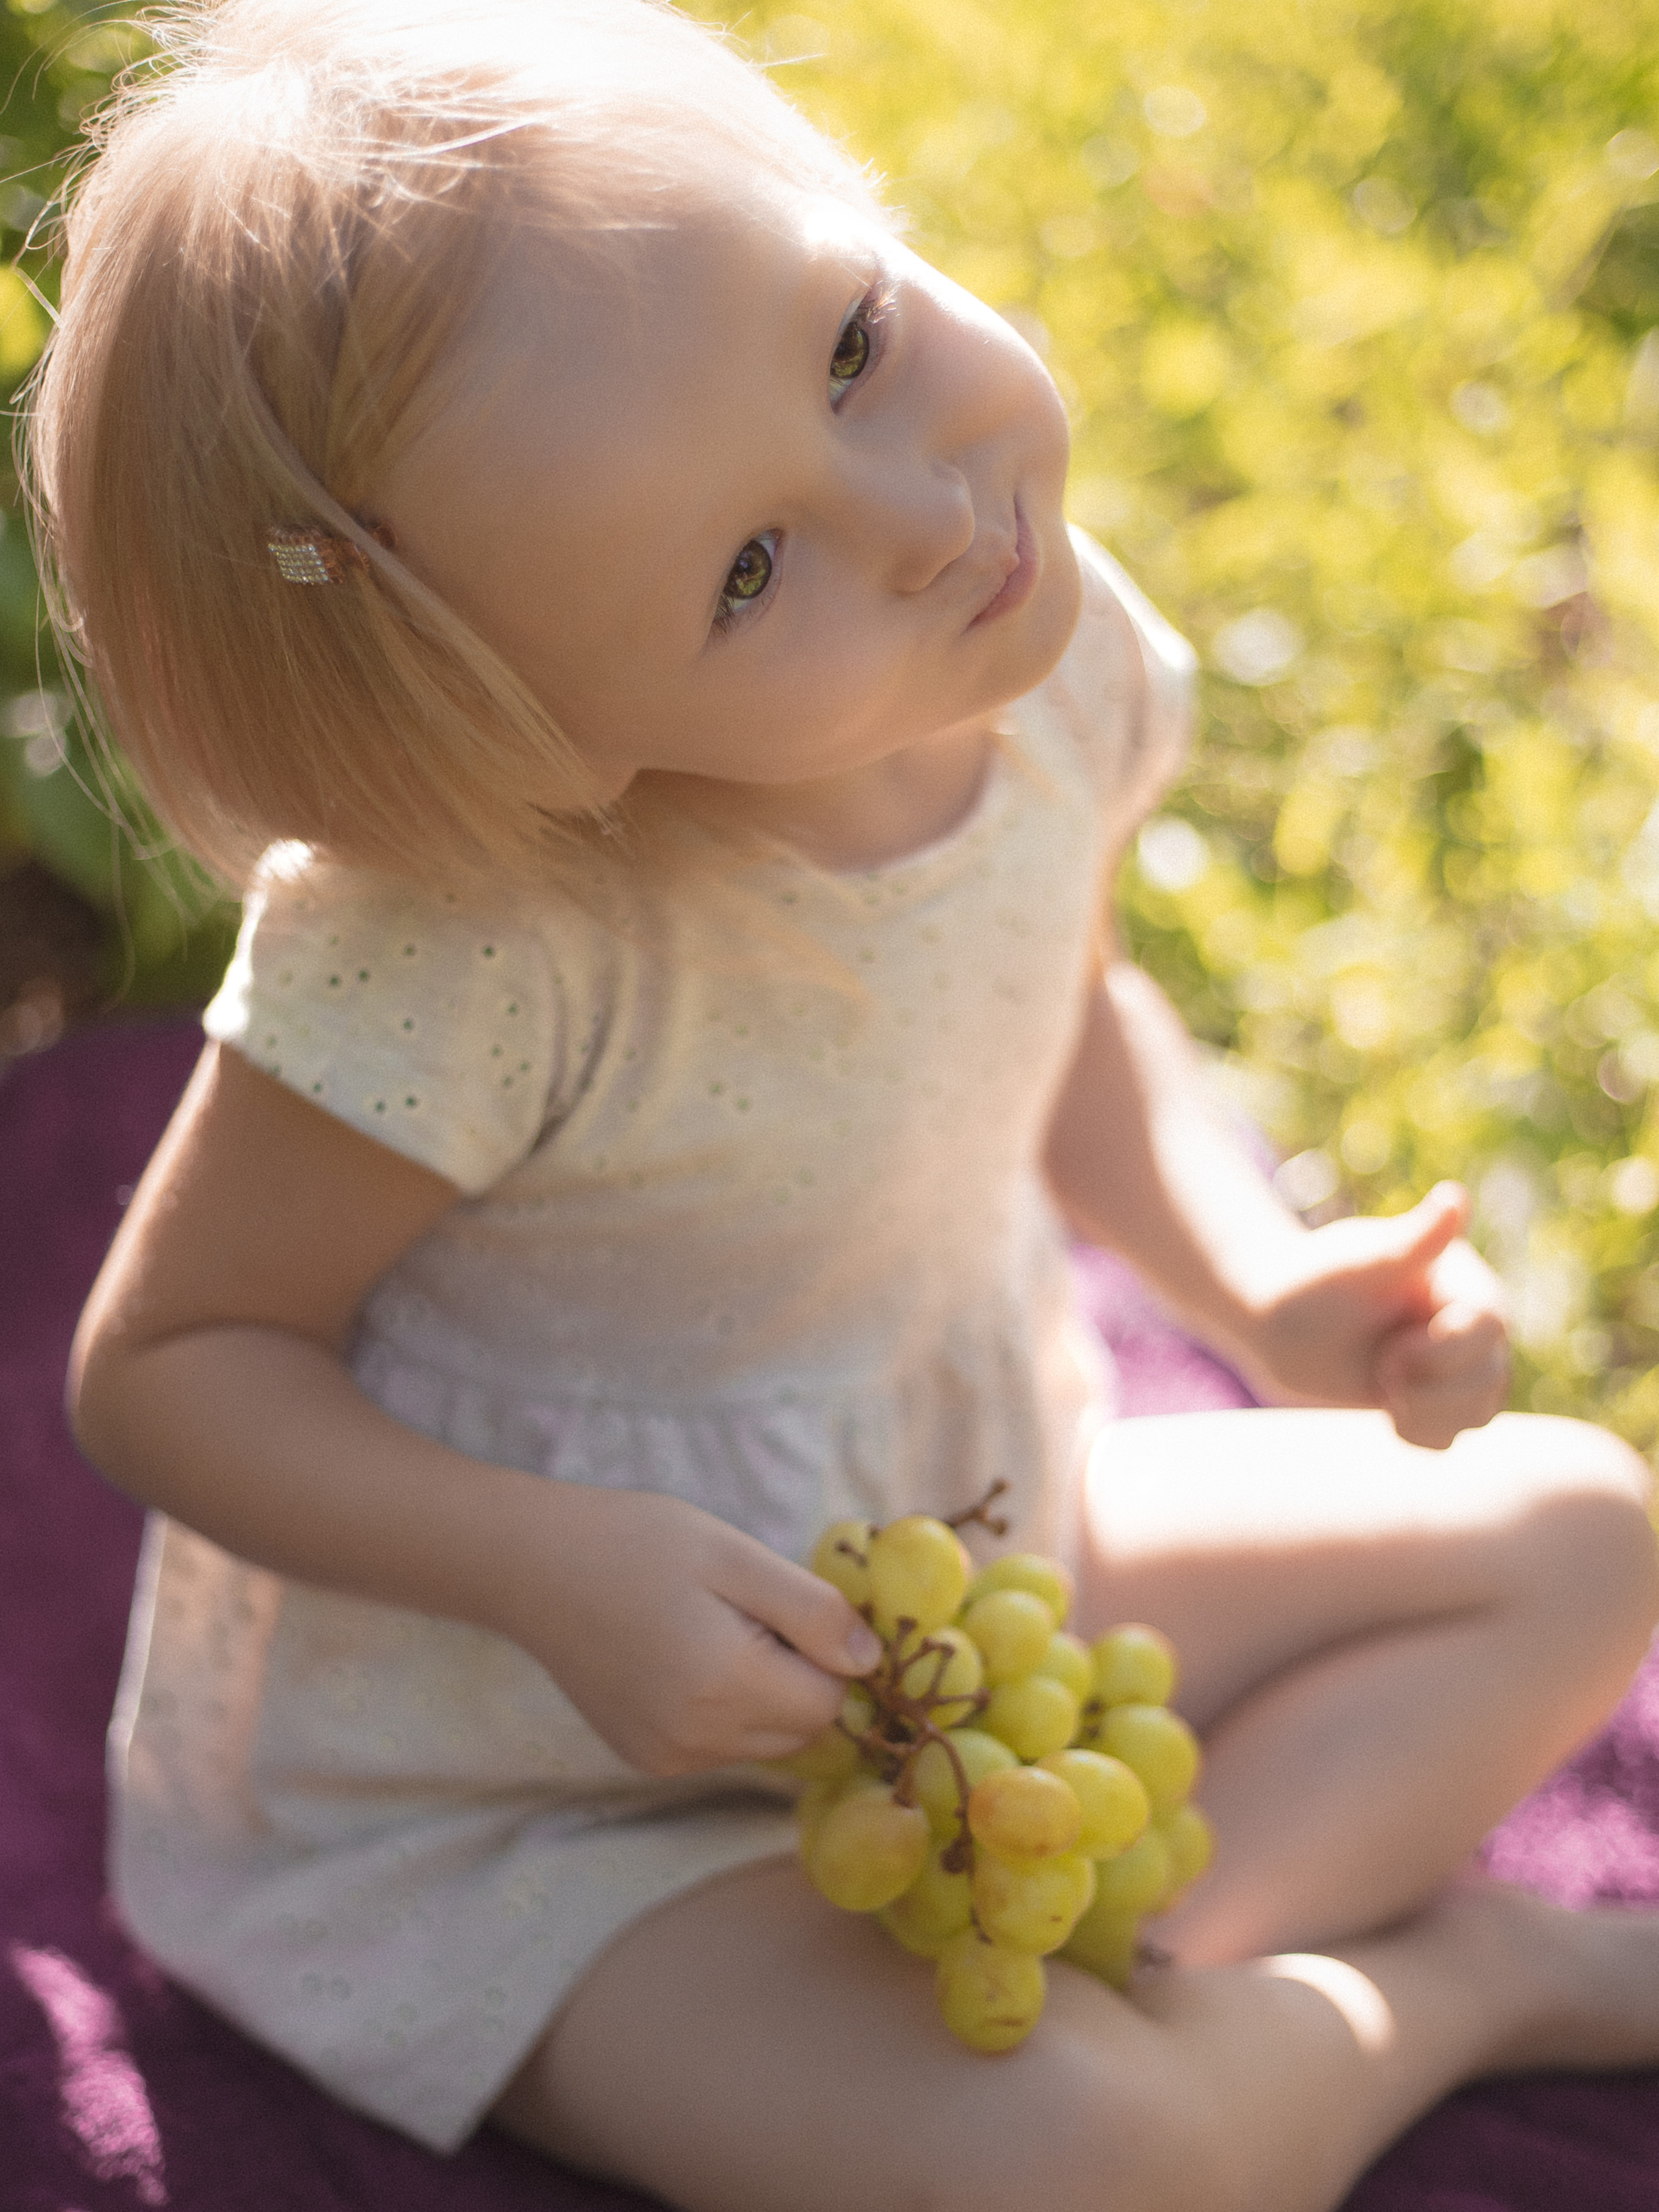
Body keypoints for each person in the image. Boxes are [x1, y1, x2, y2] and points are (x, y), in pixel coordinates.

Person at [45, 2, 1659, 2205]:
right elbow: (169, 1369)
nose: (924, 512)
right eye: (743, 572)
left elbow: (1060, 1008)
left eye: (852, 344)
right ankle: (1458, 1986)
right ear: (536, 746)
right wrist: (555, 1573)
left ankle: (1169, 1969)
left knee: (1577, 1531)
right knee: (1082, 2172)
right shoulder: (471, 942)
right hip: (540, 1779)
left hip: (968, 1546)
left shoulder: (1041, 643)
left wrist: (1263, 1288)